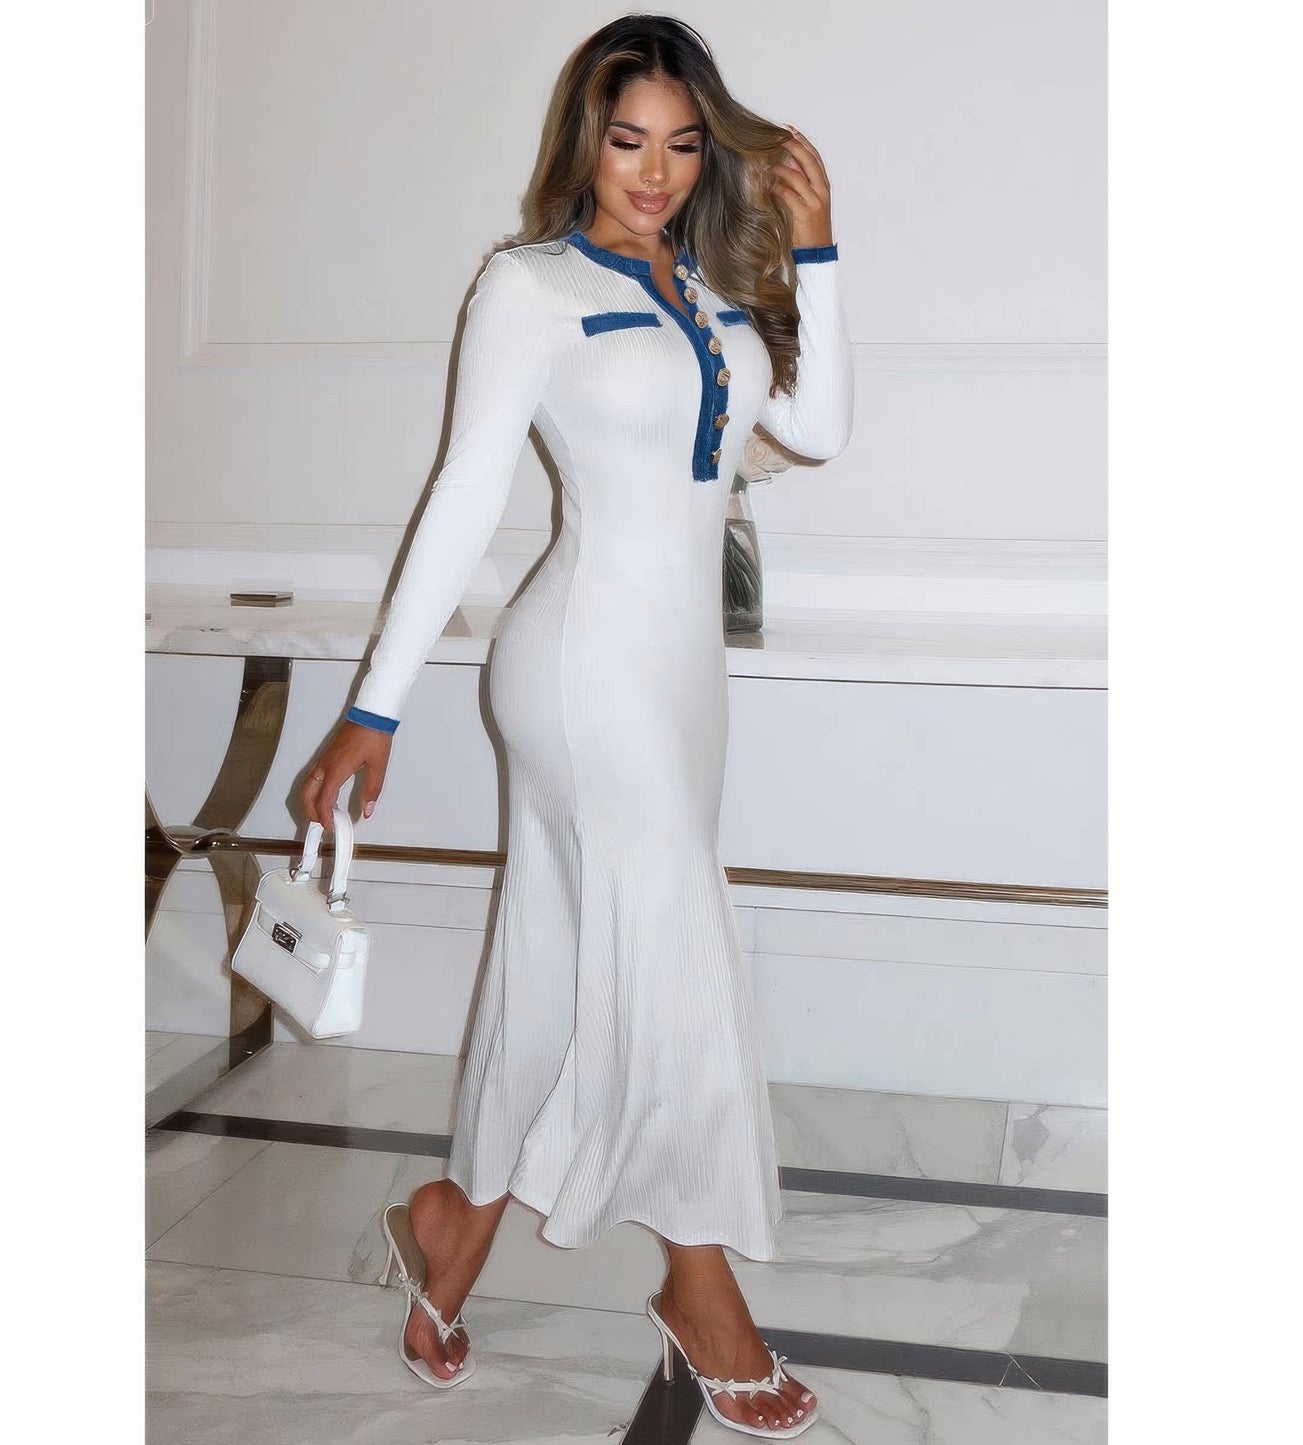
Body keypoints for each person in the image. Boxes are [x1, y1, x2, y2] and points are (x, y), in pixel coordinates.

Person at [300, 13, 851, 1437]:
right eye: (627, 142)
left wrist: (817, 253)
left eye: (682, 145)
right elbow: (466, 490)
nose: (654, 173)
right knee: (674, 958)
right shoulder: (529, 286)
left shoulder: (714, 293)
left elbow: (822, 431)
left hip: (679, 684)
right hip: (576, 668)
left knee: (561, 961)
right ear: (583, 143)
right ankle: (698, 1282)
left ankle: (453, 1227)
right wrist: (372, 705)